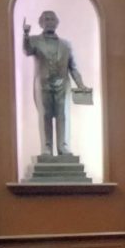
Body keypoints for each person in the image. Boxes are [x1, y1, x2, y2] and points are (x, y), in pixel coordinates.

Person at [22, 11, 91, 156]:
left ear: (57, 23)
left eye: (52, 19)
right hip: (43, 84)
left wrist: (80, 84)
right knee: (45, 115)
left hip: (62, 85)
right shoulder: (34, 40)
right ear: (41, 23)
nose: (50, 22)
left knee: (63, 115)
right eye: (46, 19)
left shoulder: (66, 45)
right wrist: (26, 35)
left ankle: (63, 146)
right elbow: (27, 50)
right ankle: (47, 147)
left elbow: (73, 67)